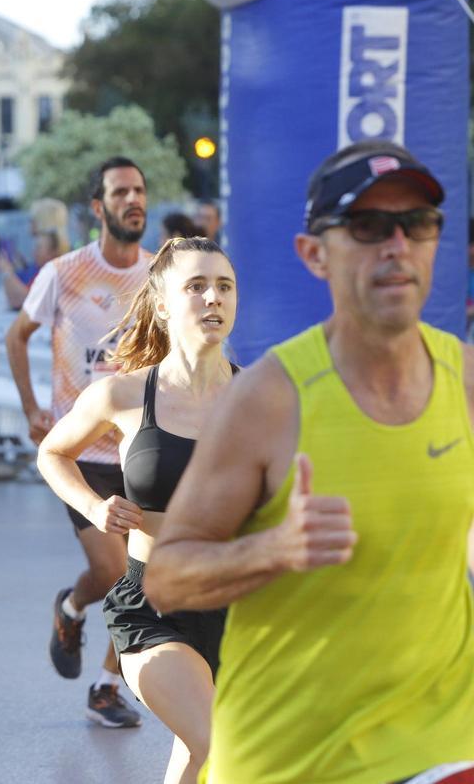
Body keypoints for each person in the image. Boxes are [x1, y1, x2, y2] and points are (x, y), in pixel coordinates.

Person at [146, 140, 474, 783]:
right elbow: (167, 578)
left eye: (417, 224)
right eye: (369, 226)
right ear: (314, 254)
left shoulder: (463, 378)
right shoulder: (268, 399)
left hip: (439, 741)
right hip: (293, 754)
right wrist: (273, 549)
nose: (397, 245)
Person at [38, 237, 237, 782]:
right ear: (164, 302)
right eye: (195, 286)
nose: (212, 298)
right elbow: (52, 452)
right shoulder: (123, 395)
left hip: (239, 607)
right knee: (220, 743)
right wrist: (94, 505)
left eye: (223, 286)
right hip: (153, 607)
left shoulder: (259, 396)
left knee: (197, 757)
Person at [6, 157, 153, 728]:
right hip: (79, 451)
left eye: (139, 190)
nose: (132, 200)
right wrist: (31, 410)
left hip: (141, 445)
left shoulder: (159, 274)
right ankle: (78, 623)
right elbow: (19, 337)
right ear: (99, 207)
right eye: (121, 192)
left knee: (136, 575)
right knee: (117, 571)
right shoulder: (64, 272)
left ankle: (101, 672)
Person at [3, 229, 65, 310]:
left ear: (53, 253)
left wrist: (7, 272)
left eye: (39, 248)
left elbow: (25, 301)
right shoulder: (36, 269)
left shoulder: (55, 275)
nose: (34, 252)